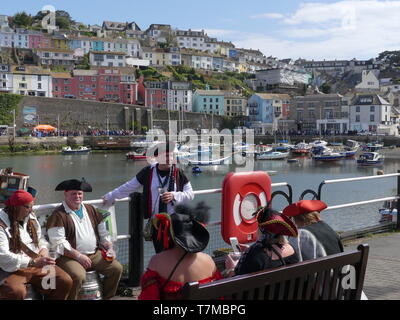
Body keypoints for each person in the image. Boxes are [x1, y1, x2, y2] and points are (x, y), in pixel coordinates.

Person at [102, 141, 194, 253]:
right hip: (157, 222)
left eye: (172, 155)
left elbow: (190, 194)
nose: (170, 158)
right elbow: (129, 187)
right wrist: (110, 196)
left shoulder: (179, 173)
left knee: (177, 253)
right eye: (166, 155)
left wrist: (174, 195)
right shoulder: (148, 172)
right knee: (160, 253)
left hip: (175, 221)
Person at [46, 179, 123, 300]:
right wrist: (78, 256)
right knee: (78, 275)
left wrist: (110, 248)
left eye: (79, 193)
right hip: (68, 257)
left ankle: (107, 297)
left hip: (93, 254)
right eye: (73, 193)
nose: (77, 196)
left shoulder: (91, 210)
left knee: (116, 269)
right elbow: (58, 244)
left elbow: (104, 235)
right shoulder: (58, 215)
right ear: (65, 194)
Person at [138, 201, 222, 300]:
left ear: (169, 234)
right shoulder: (209, 261)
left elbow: (149, 297)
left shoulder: (156, 261)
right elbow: (219, 296)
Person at [0, 190, 72, 300]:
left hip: (37, 265)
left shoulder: (31, 218)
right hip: (12, 270)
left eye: (32, 206)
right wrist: (32, 262)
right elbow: (3, 256)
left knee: (63, 280)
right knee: (15, 291)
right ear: (16, 207)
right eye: (27, 207)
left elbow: (40, 239)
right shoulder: (1, 224)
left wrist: (43, 249)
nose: (31, 210)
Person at [225, 207, 299, 277]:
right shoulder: (292, 249)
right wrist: (250, 250)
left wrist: (231, 268)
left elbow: (237, 282)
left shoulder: (256, 254)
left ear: (261, 230)